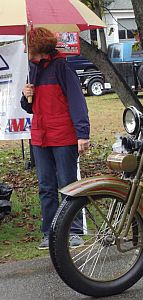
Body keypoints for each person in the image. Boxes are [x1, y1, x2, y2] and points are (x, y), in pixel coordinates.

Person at [20, 27, 90, 250]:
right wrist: (25, 96)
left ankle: (75, 230)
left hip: (63, 136)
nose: (24, 49)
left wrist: (82, 134)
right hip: (40, 137)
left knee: (68, 185)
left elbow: (77, 102)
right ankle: (49, 232)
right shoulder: (32, 70)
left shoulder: (62, 67)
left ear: (37, 46)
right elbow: (29, 108)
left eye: (27, 45)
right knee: (46, 187)